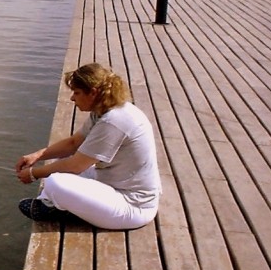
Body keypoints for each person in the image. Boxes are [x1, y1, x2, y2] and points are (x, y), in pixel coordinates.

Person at [15, 63, 161, 230]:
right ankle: (55, 203)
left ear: (93, 92)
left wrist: (34, 174)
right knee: (57, 165)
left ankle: (60, 208)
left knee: (55, 181)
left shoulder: (114, 121)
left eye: (76, 93)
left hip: (132, 206)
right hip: (114, 181)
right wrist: (37, 156)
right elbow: (74, 143)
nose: (72, 98)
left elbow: (76, 166)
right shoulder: (104, 110)